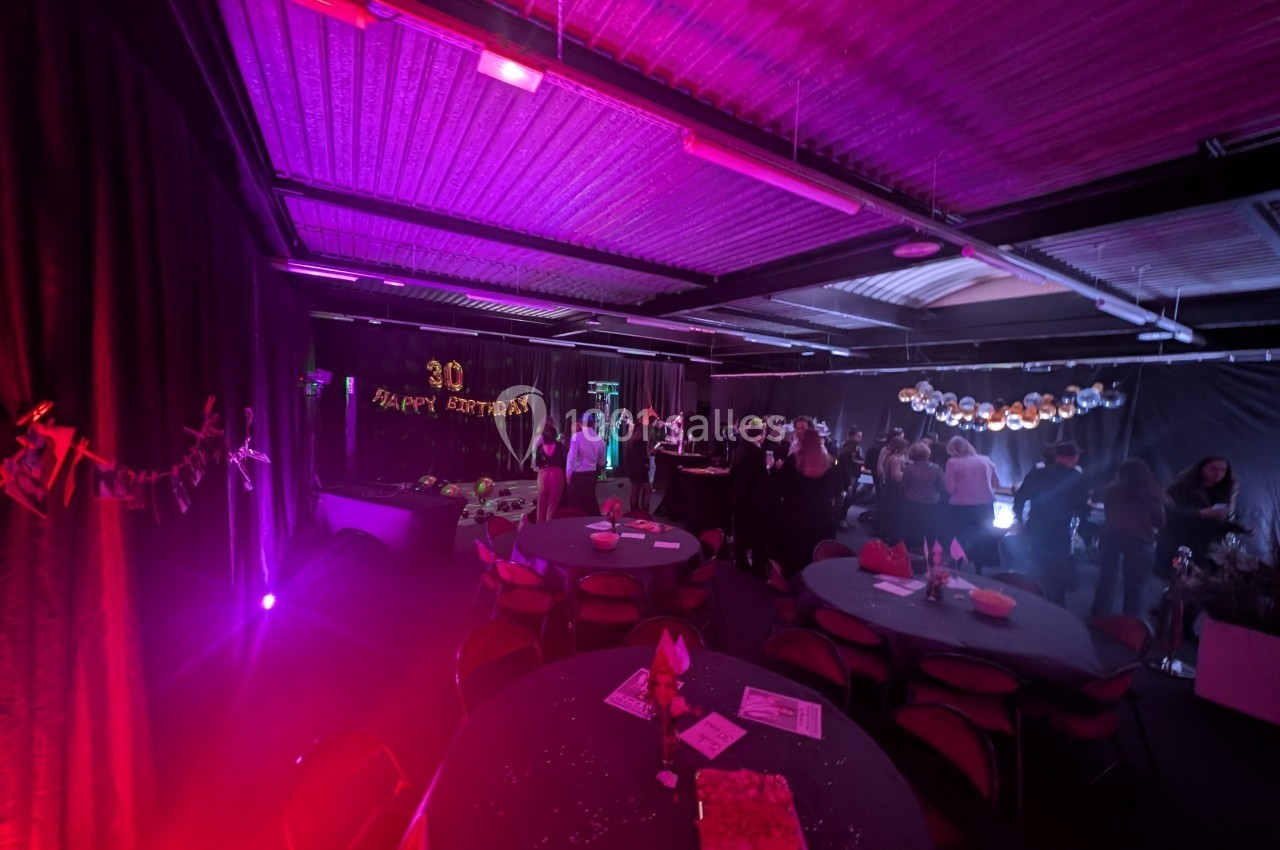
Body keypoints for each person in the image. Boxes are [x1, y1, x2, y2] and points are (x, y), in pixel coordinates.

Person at [1013, 441, 1091, 605]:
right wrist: (1082, 527)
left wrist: (1018, 519)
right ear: (1075, 458)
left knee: (1036, 561)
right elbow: (1082, 507)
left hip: (1037, 525)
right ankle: (1056, 603)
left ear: (1056, 457)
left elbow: (1020, 497)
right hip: (1059, 529)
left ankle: (1031, 598)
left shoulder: (1038, 474)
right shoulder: (1076, 478)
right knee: (1058, 565)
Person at [1091, 459, 1167, 619]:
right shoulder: (1152, 494)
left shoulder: (1111, 491)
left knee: (1106, 579)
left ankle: (1099, 617)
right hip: (1140, 539)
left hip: (1110, 536)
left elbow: (1108, 513)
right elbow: (1159, 521)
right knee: (1136, 587)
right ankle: (1129, 624)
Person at [771, 429, 841, 575]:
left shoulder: (793, 461)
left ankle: (791, 583)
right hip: (821, 517)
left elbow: (781, 486)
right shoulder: (830, 463)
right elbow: (837, 490)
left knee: (793, 553)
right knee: (817, 554)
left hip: (795, 516)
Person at [944, 436, 1001, 566]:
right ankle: (980, 565)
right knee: (982, 536)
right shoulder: (985, 460)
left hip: (961, 506)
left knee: (961, 537)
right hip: (985, 506)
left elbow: (950, 488)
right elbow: (996, 483)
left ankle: (959, 564)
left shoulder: (953, 463)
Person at [728, 418, 770, 575]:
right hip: (753, 502)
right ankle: (758, 569)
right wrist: (769, 467)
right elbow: (761, 480)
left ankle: (741, 563)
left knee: (741, 533)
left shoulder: (741, 450)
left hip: (739, 500)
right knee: (757, 536)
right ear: (759, 434)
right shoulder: (757, 453)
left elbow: (734, 475)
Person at [900, 441, 946, 547]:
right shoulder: (937, 469)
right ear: (927, 453)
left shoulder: (909, 468)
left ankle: (912, 546)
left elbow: (903, 487)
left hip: (912, 501)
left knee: (912, 526)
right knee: (929, 526)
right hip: (932, 502)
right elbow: (942, 487)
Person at [565, 412, 606, 515]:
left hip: (578, 476)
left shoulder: (577, 437)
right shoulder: (600, 440)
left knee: (576, 505)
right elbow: (602, 462)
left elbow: (571, 458)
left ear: (580, 423)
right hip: (591, 475)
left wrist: (568, 474)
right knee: (590, 502)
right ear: (593, 424)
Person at [533, 420, 568, 523]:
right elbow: (564, 461)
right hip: (557, 473)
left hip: (543, 474)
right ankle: (549, 526)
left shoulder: (539, 448)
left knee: (541, 502)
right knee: (552, 503)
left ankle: (540, 527)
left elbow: (537, 463)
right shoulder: (560, 446)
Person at [836, 427, 864, 529]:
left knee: (849, 499)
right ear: (851, 436)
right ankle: (840, 520)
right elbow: (841, 463)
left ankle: (843, 518)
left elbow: (861, 460)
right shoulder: (845, 448)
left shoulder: (857, 449)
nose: (860, 439)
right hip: (847, 477)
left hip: (854, 475)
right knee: (845, 498)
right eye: (858, 436)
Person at [624, 416, 653, 512]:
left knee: (635, 490)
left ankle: (634, 511)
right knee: (647, 489)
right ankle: (644, 511)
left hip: (633, 467)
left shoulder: (632, 441)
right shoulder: (641, 441)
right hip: (641, 467)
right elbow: (644, 456)